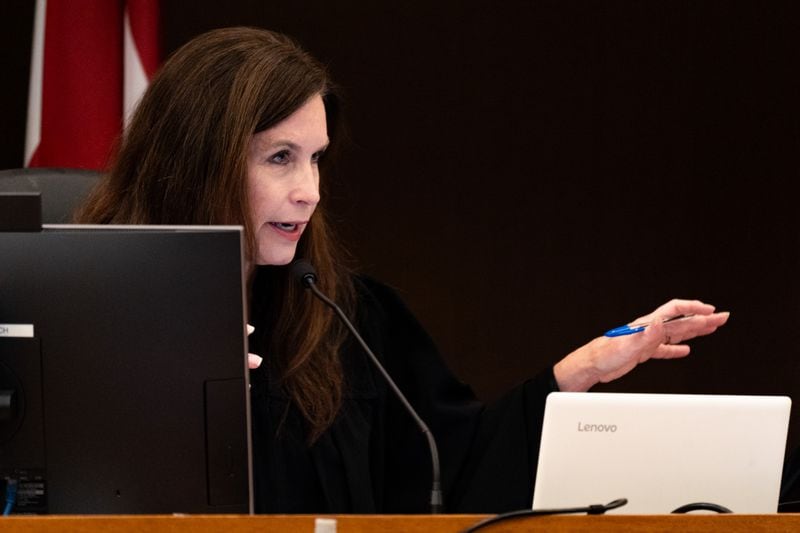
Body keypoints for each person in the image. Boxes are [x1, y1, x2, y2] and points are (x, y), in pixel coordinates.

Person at [74, 27, 729, 513]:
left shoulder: (345, 318)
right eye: (280, 157)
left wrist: (580, 370)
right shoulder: (84, 314)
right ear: (200, 160)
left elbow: (453, 469)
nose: (310, 191)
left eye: (317, 158)